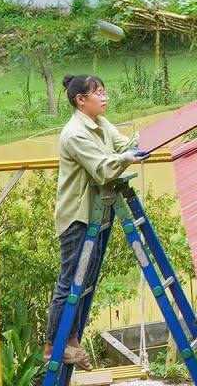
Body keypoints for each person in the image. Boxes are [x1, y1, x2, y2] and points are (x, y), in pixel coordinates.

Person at [44, 74, 147, 368]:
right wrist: (128, 157)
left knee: (85, 281)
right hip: (77, 215)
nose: (104, 97)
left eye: (104, 91)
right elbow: (102, 169)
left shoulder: (100, 124)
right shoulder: (75, 133)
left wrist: (147, 138)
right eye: (98, 93)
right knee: (70, 282)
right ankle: (53, 344)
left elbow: (123, 145)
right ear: (81, 100)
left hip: (96, 212)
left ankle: (71, 340)